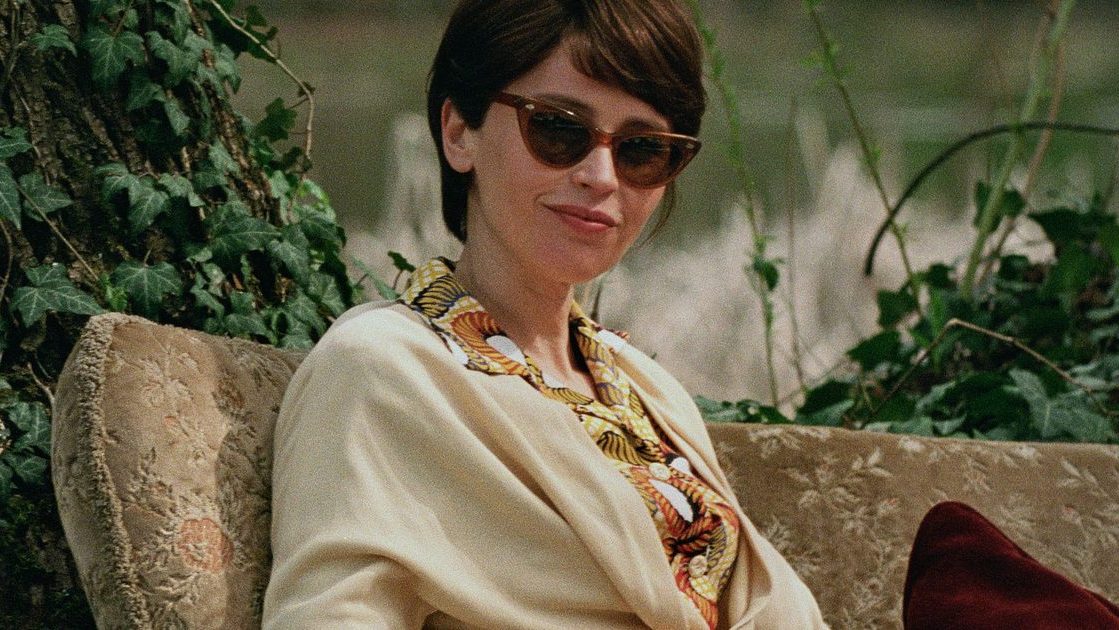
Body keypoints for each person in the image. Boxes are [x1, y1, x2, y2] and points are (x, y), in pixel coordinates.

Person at [262, 1, 827, 628]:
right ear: (460, 132)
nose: (601, 177)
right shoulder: (383, 370)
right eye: (558, 130)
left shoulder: (646, 388)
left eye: (641, 150)